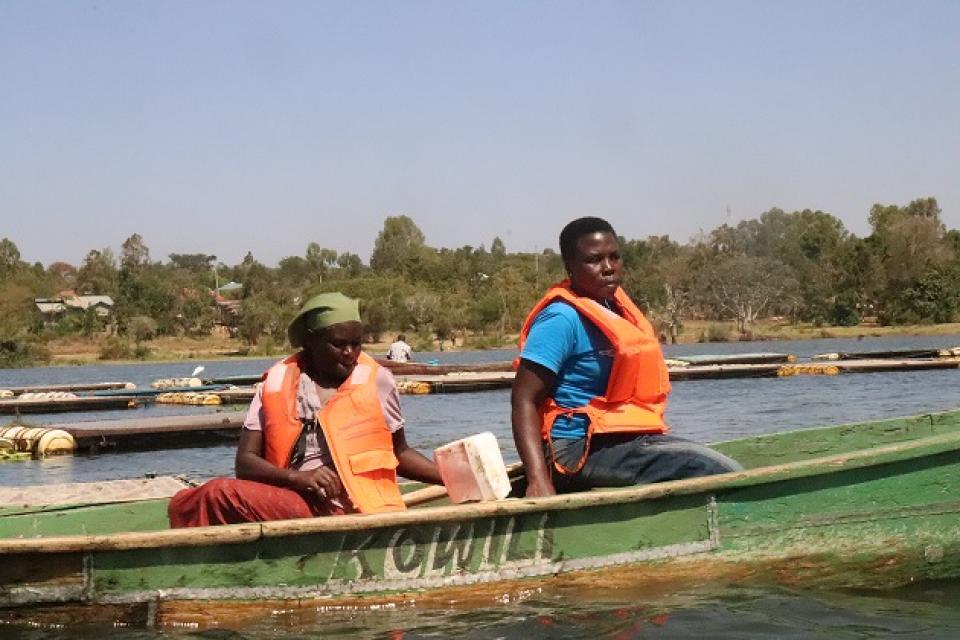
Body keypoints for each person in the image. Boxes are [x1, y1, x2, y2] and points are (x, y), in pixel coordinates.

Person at [511, 217, 742, 497]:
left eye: (614, 257)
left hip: (621, 439)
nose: (608, 268)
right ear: (569, 266)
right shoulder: (561, 318)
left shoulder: (615, 307)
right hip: (574, 450)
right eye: (594, 260)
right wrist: (538, 480)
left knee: (714, 462)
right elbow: (524, 398)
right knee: (709, 468)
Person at [168, 292, 442, 527]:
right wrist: (299, 478)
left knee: (215, 493)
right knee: (208, 495)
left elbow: (400, 452)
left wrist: (450, 479)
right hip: (293, 500)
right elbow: (245, 463)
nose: (349, 352)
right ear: (310, 342)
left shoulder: (377, 380)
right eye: (338, 344)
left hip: (353, 508)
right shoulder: (276, 382)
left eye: (356, 344)